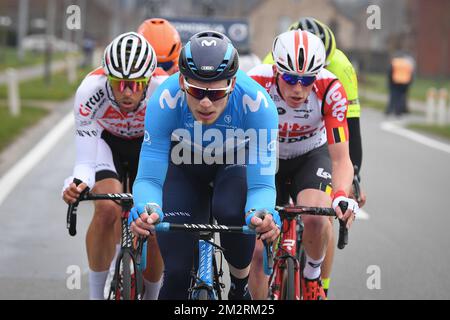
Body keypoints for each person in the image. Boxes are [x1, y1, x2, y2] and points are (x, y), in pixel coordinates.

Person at [128, 31, 281, 300]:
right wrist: (146, 208)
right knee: (175, 277)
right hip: (183, 168)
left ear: (232, 84)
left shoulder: (258, 105)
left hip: (233, 164)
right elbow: (150, 178)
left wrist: (264, 212)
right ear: (181, 81)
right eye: (197, 91)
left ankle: (239, 286)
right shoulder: (164, 100)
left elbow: (261, 184)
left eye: (217, 92)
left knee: (233, 211)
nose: (206, 102)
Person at [248, 30, 359, 300]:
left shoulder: (330, 88)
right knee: (258, 249)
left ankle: (311, 275)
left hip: (310, 154)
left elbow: (341, 158)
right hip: (265, 157)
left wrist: (342, 195)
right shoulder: (255, 82)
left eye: (307, 79)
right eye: (289, 78)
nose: (298, 88)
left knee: (317, 218)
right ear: (276, 70)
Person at [62, 32, 168, 300]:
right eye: (119, 83)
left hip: (148, 146)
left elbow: (174, 147)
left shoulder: (163, 90)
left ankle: (153, 295)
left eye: (135, 83)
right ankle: (96, 295)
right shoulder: (89, 90)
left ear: (148, 80)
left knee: (153, 223)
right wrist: (76, 184)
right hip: (106, 144)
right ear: (106, 77)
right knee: (107, 208)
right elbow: (85, 163)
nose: (127, 92)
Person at [385, 52, 414, 116]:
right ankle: (398, 112)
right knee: (401, 98)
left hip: (394, 82)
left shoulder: (395, 62)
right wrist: (409, 83)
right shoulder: (407, 63)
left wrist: (389, 82)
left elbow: (390, 72)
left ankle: (389, 110)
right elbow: (410, 74)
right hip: (404, 83)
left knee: (393, 97)